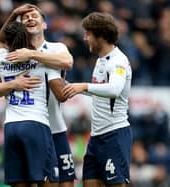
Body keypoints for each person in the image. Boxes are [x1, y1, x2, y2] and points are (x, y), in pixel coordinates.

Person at [0, 4, 76, 187]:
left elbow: (68, 61)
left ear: (45, 24)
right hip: (38, 125)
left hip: (54, 127)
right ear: (21, 28)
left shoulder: (54, 48)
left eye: (35, 15)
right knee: (47, 179)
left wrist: (32, 54)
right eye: (25, 17)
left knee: (66, 181)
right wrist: (14, 83)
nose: (29, 18)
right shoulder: (27, 59)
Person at [62, 12, 133, 187]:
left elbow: (115, 90)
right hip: (96, 138)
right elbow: (99, 90)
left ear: (100, 35)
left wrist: (84, 86)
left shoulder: (118, 61)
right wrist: (72, 86)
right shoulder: (101, 61)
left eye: (88, 34)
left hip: (114, 135)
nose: (85, 38)